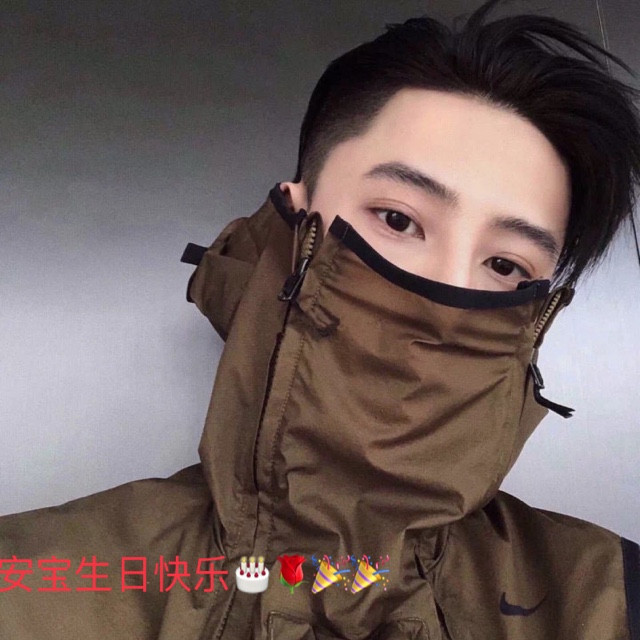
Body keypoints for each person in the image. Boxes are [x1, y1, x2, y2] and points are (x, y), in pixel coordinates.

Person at [1, 0, 639, 637]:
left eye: (504, 264)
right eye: (398, 220)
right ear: (290, 226)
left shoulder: (609, 598)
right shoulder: (27, 587)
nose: (448, 293)